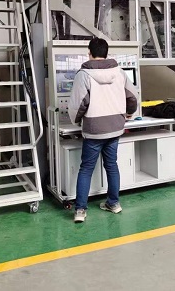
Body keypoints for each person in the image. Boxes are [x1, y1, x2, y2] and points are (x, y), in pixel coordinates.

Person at [68, 38, 138, 223]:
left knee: (86, 169)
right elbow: (132, 97)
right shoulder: (119, 72)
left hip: (94, 129)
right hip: (115, 127)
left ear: (89, 53)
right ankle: (113, 204)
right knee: (112, 165)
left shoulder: (83, 74)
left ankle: (80, 210)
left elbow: (78, 104)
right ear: (107, 53)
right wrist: (129, 113)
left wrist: (76, 121)